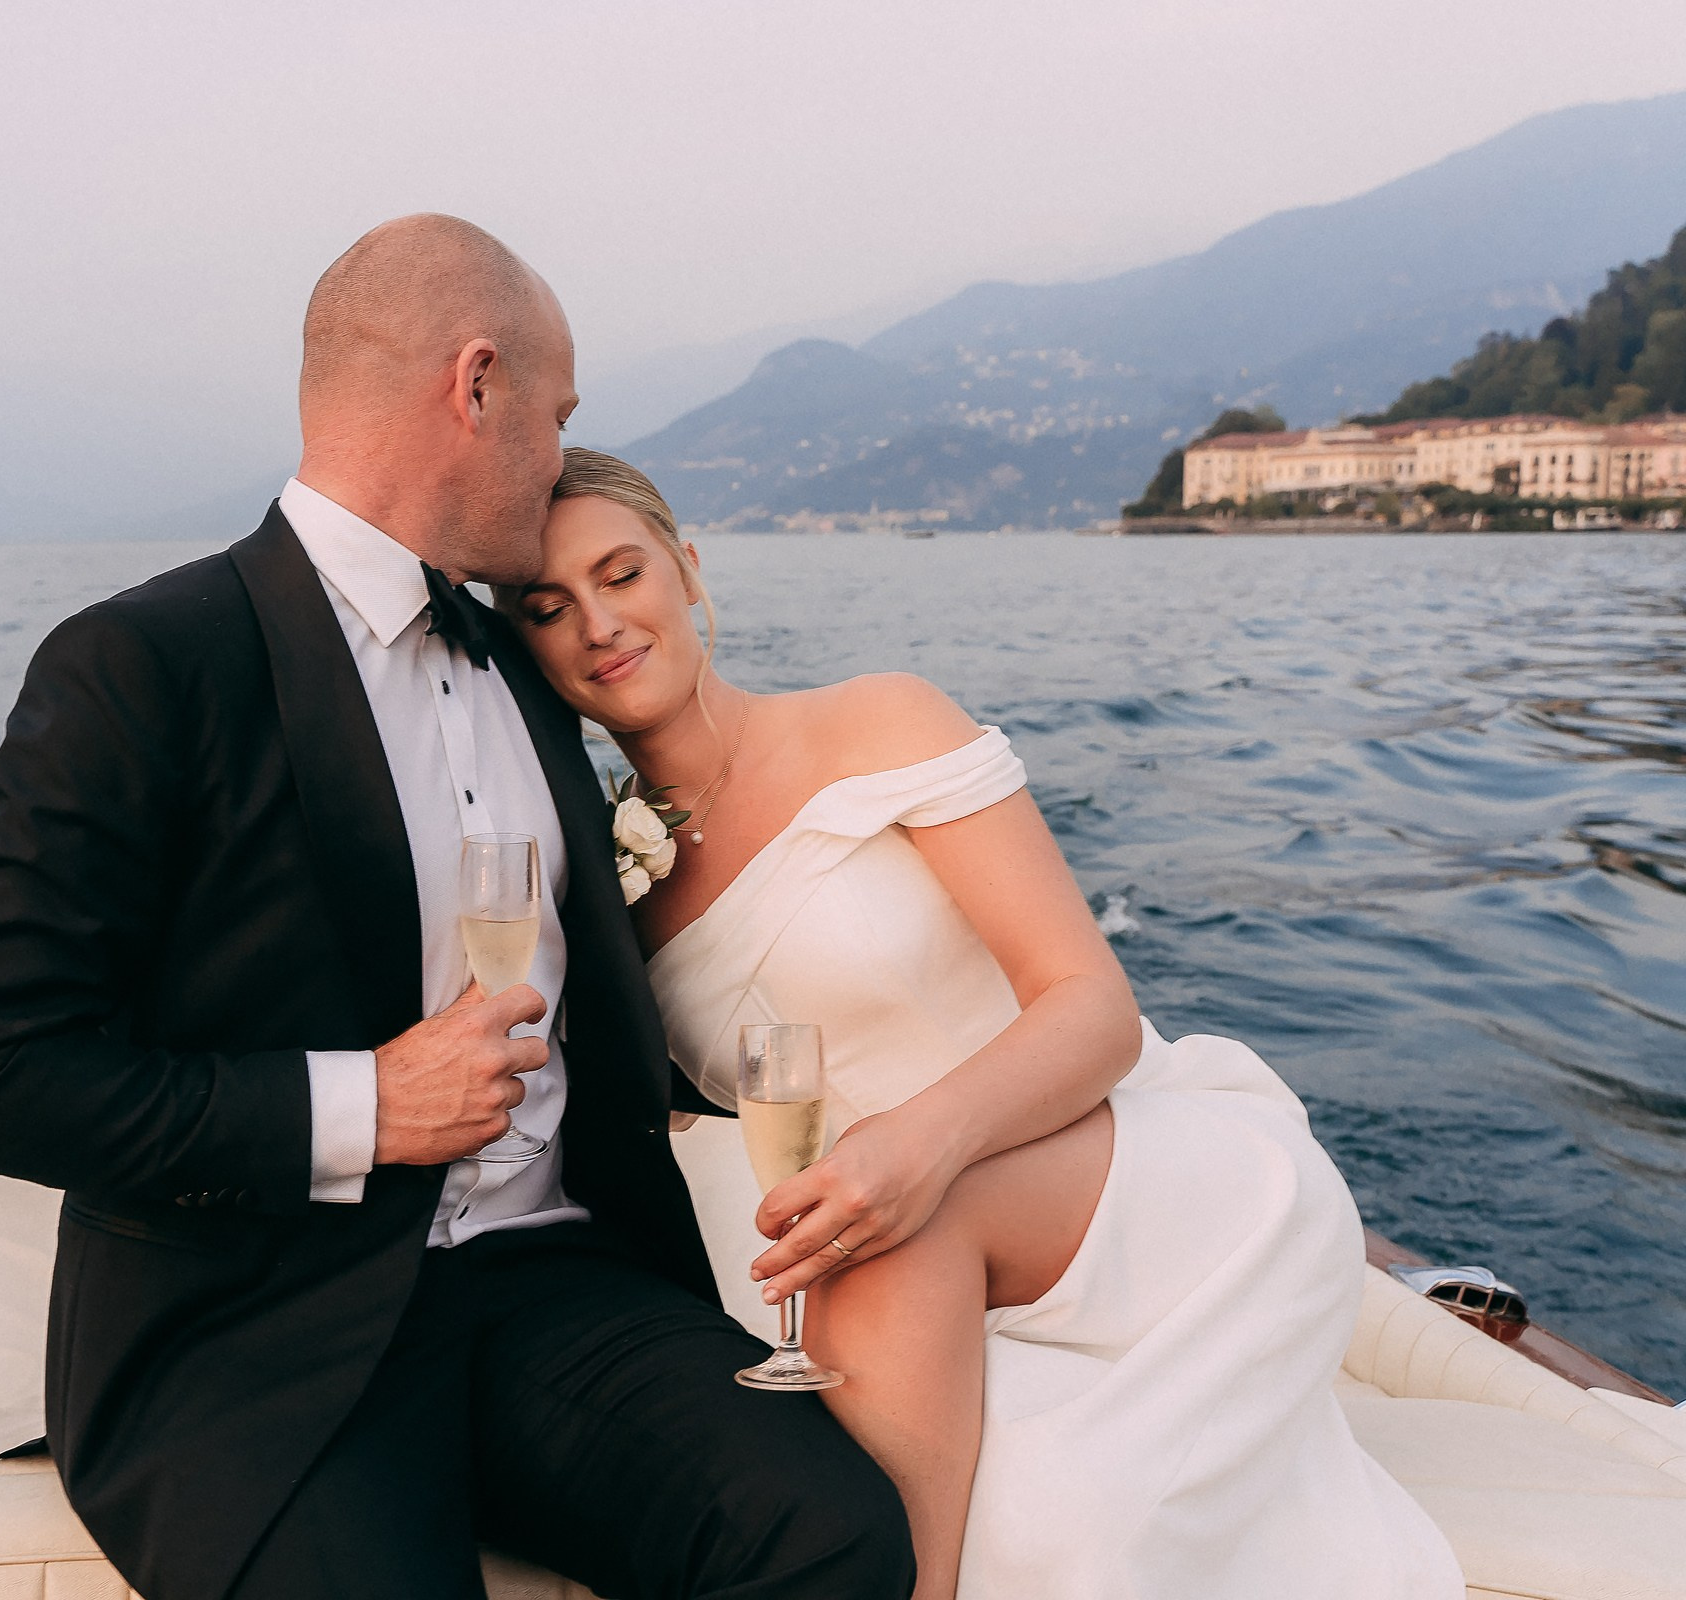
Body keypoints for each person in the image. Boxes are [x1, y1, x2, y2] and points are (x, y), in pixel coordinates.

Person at [0, 219, 915, 1600]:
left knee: (834, 1532)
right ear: (476, 386)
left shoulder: (528, 653)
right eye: (555, 419)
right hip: (256, 1340)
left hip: (557, 1289)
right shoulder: (142, 663)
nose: (559, 458)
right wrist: (366, 1106)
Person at [498, 448, 1468, 1600]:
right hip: (906, 1248)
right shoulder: (614, 896)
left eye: (623, 574)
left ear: (690, 570)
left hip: (1124, 1164)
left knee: (893, 1235)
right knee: (1037, 1514)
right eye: (549, 608)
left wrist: (923, 1143)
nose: (599, 624)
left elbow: (1094, 1008)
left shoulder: (879, 725)